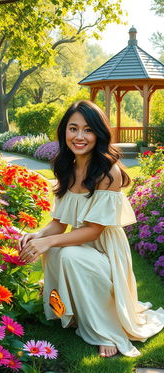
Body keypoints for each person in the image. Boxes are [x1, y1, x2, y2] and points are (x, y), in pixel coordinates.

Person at [18, 100, 164, 358]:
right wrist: (38, 236)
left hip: (106, 249)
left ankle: (106, 329)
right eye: (73, 129)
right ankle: (71, 312)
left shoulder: (109, 172)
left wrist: (50, 242)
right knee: (55, 251)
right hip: (81, 242)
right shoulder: (66, 167)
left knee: (67, 253)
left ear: (99, 133)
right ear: (64, 132)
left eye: (88, 130)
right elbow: (59, 223)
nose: (79, 136)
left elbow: (94, 231)